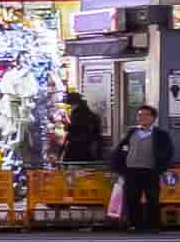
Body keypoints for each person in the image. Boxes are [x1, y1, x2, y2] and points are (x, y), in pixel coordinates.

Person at [113, 104, 174, 234]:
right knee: (132, 198)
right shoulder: (132, 132)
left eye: (146, 115)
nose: (142, 117)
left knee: (152, 198)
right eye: (140, 115)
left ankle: (153, 226)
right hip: (131, 171)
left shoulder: (160, 134)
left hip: (150, 171)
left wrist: (161, 168)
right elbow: (120, 150)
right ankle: (135, 225)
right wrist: (120, 167)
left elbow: (167, 152)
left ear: (153, 118)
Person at [64, 92, 105, 164]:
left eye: (70, 105)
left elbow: (76, 129)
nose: (70, 107)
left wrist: (67, 127)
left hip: (77, 148)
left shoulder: (78, 113)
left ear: (74, 103)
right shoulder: (90, 114)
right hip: (89, 147)